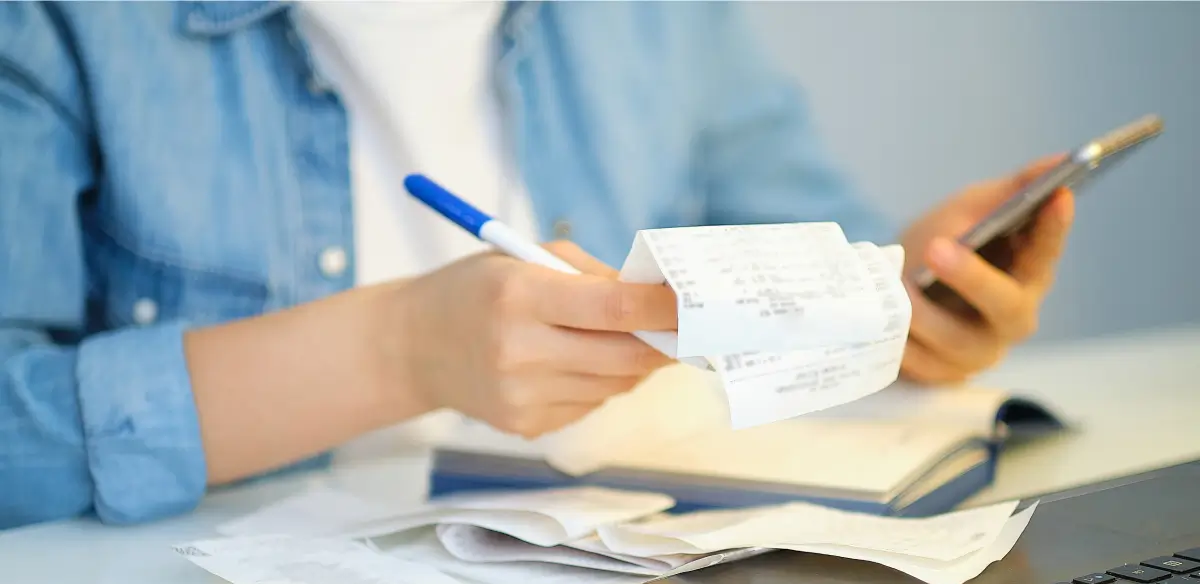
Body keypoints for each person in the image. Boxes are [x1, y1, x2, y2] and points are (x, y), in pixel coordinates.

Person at [0, 1, 1074, 530]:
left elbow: (810, 234)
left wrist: (900, 303)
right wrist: (400, 349)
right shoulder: (63, 22)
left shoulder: (658, 18)